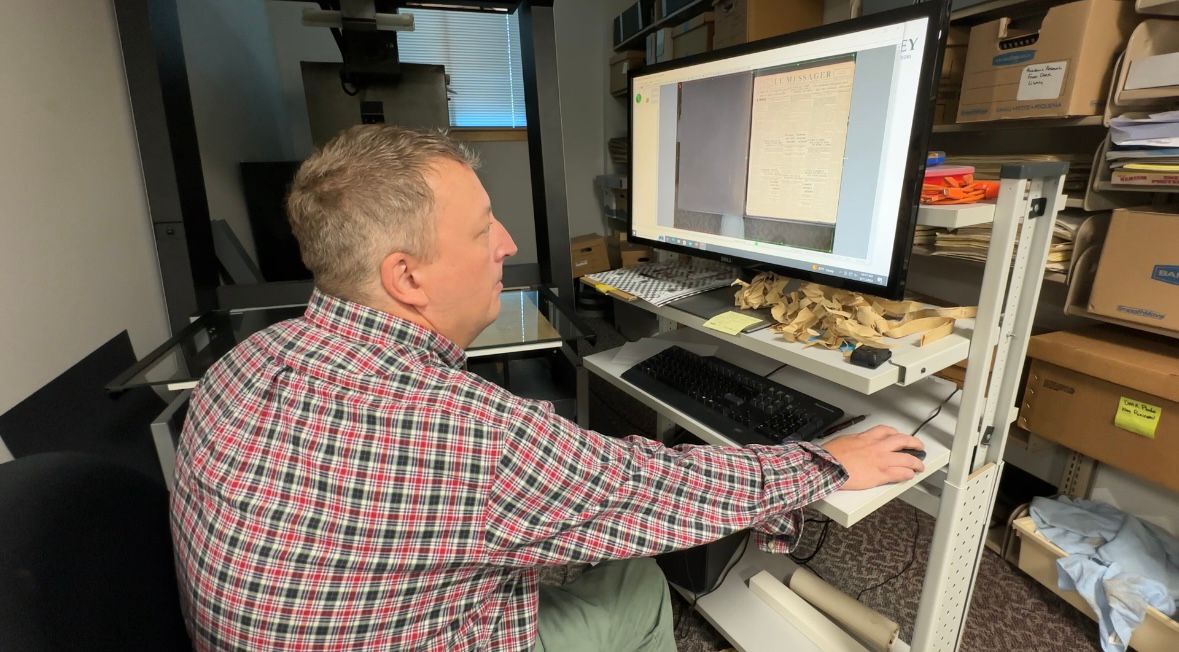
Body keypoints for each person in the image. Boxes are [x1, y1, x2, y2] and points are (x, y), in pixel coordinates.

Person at [170, 125, 926, 652]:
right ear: (406, 277)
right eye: (481, 229)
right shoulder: (465, 433)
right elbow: (648, 488)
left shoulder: (247, 361)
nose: (507, 244)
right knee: (634, 581)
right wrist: (827, 462)